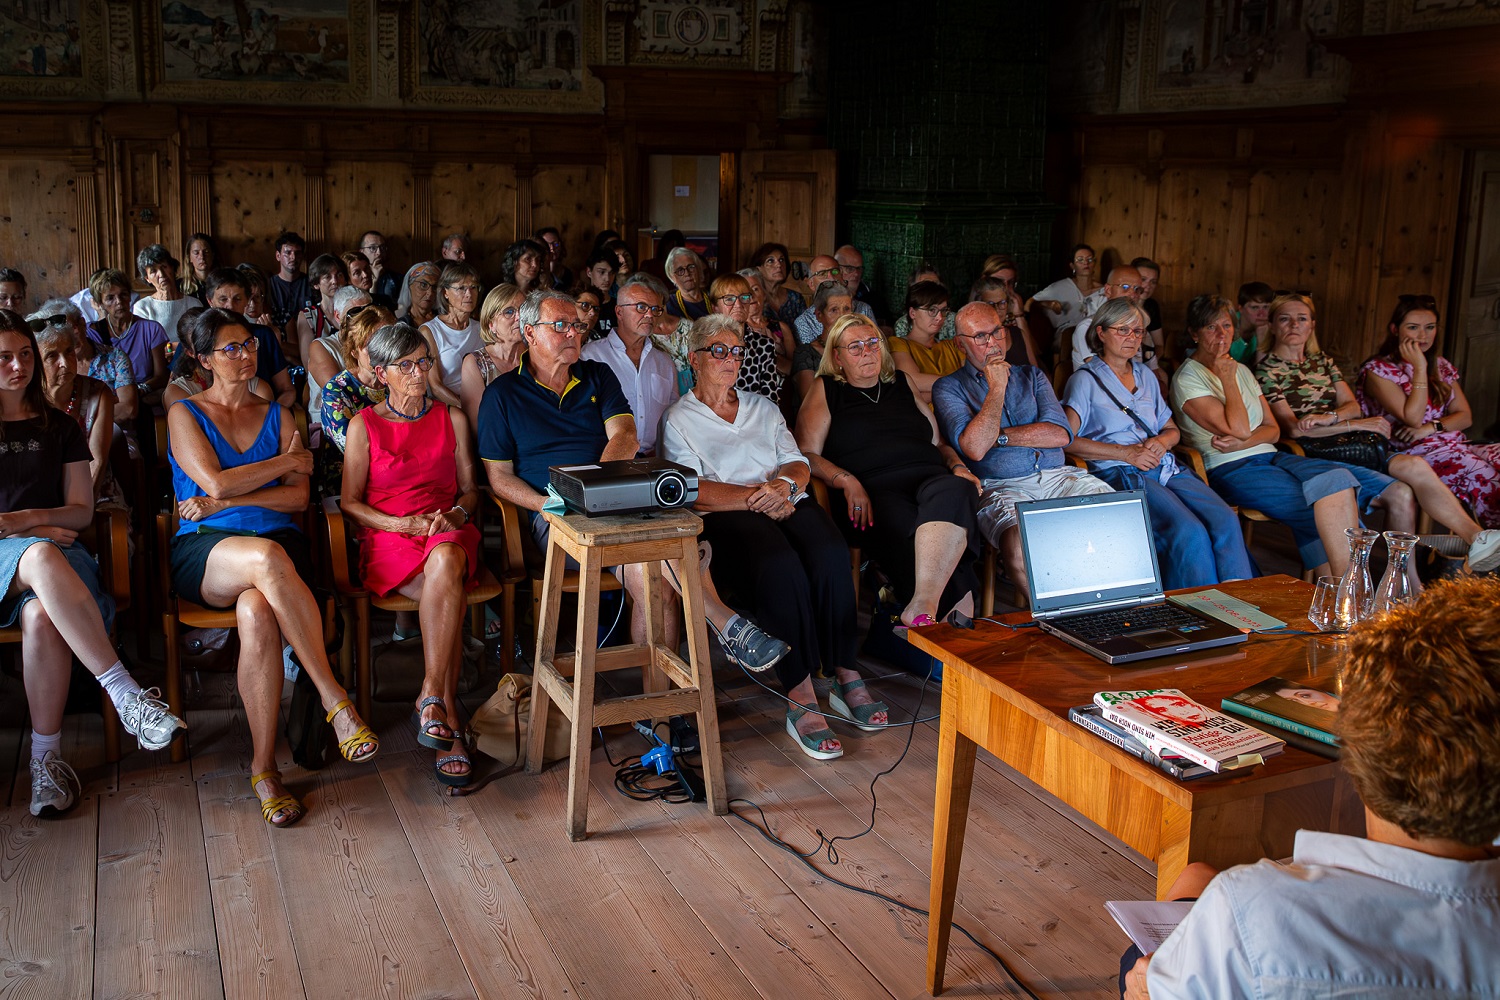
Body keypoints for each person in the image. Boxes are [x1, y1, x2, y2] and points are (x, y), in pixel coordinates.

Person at [1124, 575, 1500, 1000]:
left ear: (1356, 748)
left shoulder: (1257, 906)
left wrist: (1147, 991)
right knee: (1198, 875)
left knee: (1141, 957)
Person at [479, 291, 788, 673]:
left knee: (656, 582)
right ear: (530, 333)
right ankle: (729, 626)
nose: (573, 333)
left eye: (577, 325)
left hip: (612, 497)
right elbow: (499, 478)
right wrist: (551, 504)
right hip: (555, 513)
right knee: (669, 562)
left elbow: (624, 435)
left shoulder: (596, 375)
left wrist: (596, 489)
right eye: (560, 325)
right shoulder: (501, 395)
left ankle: (660, 715)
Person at [168, 308, 377, 827]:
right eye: (230, 348)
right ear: (202, 359)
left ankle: (264, 771)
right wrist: (281, 465)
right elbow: (213, 483)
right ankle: (336, 700)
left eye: (250, 344)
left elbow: (299, 498)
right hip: (208, 546)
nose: (246, 355)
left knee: (258, 609)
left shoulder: (280, 415)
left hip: (277, 540)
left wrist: (231, 492)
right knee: (264, 558)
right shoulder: (183, 413)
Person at [661, 315, 888, 760]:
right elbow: (692, 488)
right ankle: (800, 691)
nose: (731, 360)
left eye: (737, 351)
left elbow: (796, 460)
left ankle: (844, 671)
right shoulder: (679, 419)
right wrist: (757, 497)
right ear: (694, 359)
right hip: (728, 513)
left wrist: (783, 488)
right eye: (719, 352)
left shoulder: (762, 406)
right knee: (780, 565)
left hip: (783, 500)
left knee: (829, 550)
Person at [1, 311, 185, 817]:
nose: (18, 366)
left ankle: (45, 764)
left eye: (22, 355)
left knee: (41, 615)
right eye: (4, 357)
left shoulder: (59, 425)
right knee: (40, 553)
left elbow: (81, 511)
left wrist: (23, 520)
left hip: (61, 557)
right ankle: (125, 694)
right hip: (19, 556)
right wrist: (35, 529)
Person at [1258, 293, 1500, 570]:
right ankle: (1404, 577)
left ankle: (1476, 538)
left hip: (1356, 443)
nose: (1294, 326)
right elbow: (1294, 429)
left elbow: (1351, 406)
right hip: (1315, 451)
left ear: (1312, 325)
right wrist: (1353, 423)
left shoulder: (1322, 362)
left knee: (1415, 467)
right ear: (1273, 325)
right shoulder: (1267, 370)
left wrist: (1331, 418)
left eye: (1301, 319)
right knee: (1410, 484)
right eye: (1285, 319)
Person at [339, 322, 482, 787]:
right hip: (391, 537)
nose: (420, 374)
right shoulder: (364, 426)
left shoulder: (451, 418)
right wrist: (400, 524)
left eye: (424, 362)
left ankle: (430, 697)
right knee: (449, 599)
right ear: (381, 373)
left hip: (446, 531)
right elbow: (349, 503)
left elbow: (470, 491)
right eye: (406, 366)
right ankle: (449, 714)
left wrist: (457, 516)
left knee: (446, 559)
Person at [796, 314, 982, 627]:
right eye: (854, 347)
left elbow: (938, 444)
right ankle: (956, 634)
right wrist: (846, 479)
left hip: (928, 480)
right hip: (870, 493)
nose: (867, 351)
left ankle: (924, 605)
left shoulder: (902, 382)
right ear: (838, 356)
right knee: (920, 531)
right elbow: (805, 454)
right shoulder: (826, 389)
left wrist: (958, 466)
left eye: (872, 343)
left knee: (958, 491)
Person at [1170, 294, 1368, 577]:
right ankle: (1346, 588)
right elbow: (1237, 428)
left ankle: (1339, 590)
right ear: (1194, 333)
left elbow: (1273, 430)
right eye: (1211, 327)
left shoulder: (1242, 370)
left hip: (1270, 455)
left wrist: (1246, 438)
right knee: (1327, 511)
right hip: (1229, 467)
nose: (1221, 335)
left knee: (1337, 481)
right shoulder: (1188, 377)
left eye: (1226, 326)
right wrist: (1227, 379)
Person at [1062, 298, 1254, 589]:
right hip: (1122, 471)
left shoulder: (1146, 376)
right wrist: (1126, 453)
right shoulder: (1084, 381)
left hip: (1163, 464)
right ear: (1101, 333)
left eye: (1138, 332)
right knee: (1188, 530)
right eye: (1122, 330)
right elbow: (1066, 441)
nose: (1132, 338)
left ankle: (1240, 603)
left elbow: (1171, 429)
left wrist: (1163, 442)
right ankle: (1199, 609)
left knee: (1225, 518)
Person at [933, 303, 1113, 599]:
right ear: (960, 344)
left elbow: (1060, 434)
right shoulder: (949, 388)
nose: (992, 343)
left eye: (996, 332)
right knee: (1019, 541)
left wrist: (999, 437)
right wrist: (997, 389)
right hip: (1000, 485)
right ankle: (1055, 618)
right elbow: (975, 449)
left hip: (1059, 476)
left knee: (1115, 513)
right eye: (980, 337)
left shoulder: (1033, 376)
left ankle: (1108, 609)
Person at [1359, 294, 1500, 531]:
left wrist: (1430, 427)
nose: (1423, 336)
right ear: (1395, 330)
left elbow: (1464, 416)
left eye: (1429, 328)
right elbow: (1411, 417)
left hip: (1454, 444)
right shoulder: (1377, 370)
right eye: (1413, 328)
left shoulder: (1441, 365)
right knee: (1483, 474)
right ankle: (1488, 546)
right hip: (1410, 453)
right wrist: (1420, 368)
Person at [33, 313, 127, 510]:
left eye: (68, 352)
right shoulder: (26, 400)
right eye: (52, 356)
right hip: (40, 502)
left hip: (96, 497)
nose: (65, 363)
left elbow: (97, 463)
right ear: (34, 362)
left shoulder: (98, 393)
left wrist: (77, 513)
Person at [583, 274, 678, 455]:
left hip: (652, 460)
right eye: (641, 307)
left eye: (655, 309)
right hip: (605, 458)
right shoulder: (591, 356)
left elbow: (673, 416)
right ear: (619, 312)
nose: (649, 314)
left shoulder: (664, 362)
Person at [28, 298, 137, 424]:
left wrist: (94, 418)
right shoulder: (33, 383)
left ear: (83, 324)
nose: (70, 335)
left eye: (70, 327)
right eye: (52, 355)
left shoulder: (115, 358)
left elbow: (128, 410)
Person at [201, 269, 296, 407]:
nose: (230, 306)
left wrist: (271, 416)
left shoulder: (264, 335)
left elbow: (287, 390)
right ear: (210, 301)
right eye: (223, 299)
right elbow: (178, 387)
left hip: (262, 410)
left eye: (237, 299)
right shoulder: (199, 336)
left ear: (246, 301)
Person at [87, 268, 168, 401]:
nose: (119, 301)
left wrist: (140, 390)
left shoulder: (151, 329)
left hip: (142, 397)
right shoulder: (92, 333)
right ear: (100, 303)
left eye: (123, 294)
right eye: (110, 298)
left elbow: (161, 376)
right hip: (106, 399)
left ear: (130, 296)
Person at [710, 272, 785, 404]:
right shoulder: (706, 346)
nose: (738, 304)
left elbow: (770, 399)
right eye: (729, 299)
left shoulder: (764, 345)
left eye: (744, 297)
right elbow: (702, 397)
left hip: (755, 419)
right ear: (715, 307)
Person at [418, 262, 484, 407]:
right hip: (446, 407)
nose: (469, 294)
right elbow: (435, 387)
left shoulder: (481, 329)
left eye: (473, 287)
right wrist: (469, 409)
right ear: (445, 293)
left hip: (480, 402)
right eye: (461, 288)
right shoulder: (430, 331)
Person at [891, 280, 965, 407]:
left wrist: (930, 394)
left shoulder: (952, 346)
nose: (939, 317)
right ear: (912, 313)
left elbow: (972, 381)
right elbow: (912, 380)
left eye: (943, 311)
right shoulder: (897, 343)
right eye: (932, 310)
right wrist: (957, 386)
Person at [460, 284, 525, 429]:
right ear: (491, 324)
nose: (519, 317)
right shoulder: (476, 363)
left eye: (524, 310)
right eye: (509, 312)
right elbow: (477, 425)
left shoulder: (536, 356)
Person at [1071, 265, 1152, 371]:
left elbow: (1152, 368)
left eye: (1137, 289)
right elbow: (1101, 372)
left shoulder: (1138, 327)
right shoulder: (1088, 326)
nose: (1132, 294)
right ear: (1108, 290)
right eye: (1125, 287)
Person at [791, 281, 855, 401]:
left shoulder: (858, 348)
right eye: (834, 310)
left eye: (847, 309)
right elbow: (810, 401)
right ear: (819, 315)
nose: (842, 316)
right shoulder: (805, 354)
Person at [793, 254, 876, 343]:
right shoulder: (804, 322)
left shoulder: (864, 309)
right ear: (811, 284)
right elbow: (812, 354)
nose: (831, 277)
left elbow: (875, 344)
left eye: (835, 272)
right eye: (822, 274)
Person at [1030, 243, 1103, 341]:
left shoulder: (1103, 291)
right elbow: (1029, 304)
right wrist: (1048, 304)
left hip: (1094, 334)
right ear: (1072, 266)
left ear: (1094, 263)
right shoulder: (1060, 287)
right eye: (1080, 260)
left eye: (1089, 259)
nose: (1086, 263)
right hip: (1066, 336)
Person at [969, 275, 1039, 367]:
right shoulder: (970, 340)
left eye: (1002, 303)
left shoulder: (1018, 334)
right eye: (990, 304)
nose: (997, 309)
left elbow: (1036, 373)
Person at [132, 244, 196, 343]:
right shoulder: (142, 308)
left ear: (173, 268)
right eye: (153, 271)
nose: (161, 274)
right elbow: (144, 345)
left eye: (164, 267)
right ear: (147, 278)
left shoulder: (194, 304)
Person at [293, 253, 349, 368]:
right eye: (327, 277)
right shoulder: (308, 316)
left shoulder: (354, 311)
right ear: (316, 284)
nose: (335, 281)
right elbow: (308, 362)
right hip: (322, 377)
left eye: (339, 275)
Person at [266, 230, 309, 349]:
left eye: (297, 253)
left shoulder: (311, 284)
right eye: (288, 253)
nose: (293, 257)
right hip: (279, 343)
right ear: (278, 256)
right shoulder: (268, 286)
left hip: (308, 337)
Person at [751, 241, 806, 327]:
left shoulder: (796, 298)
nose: (779, 265)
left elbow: (806, 332)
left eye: (781, 260)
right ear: (758, 269)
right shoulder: (753, 299)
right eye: (770, 261)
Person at [835, 244, 883, 324]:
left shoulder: (871, 300)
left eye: (859, 269)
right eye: (849, 269)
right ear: (837, 270)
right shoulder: (825, 299)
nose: (856, 274)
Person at [1130, 256, 1165, 359]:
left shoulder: (1152, 306)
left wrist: (1150, 363)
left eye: (1153, 282)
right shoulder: (1121, 305)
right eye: (1143, 279)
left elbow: (1159, 345)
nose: (1148, 285)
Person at [1233, 280, 1274, 362]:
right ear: (1241, 308)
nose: (1261, 314)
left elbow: (1265, 369)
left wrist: (1262, 338)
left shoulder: (1272, 328)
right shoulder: (1226, 325)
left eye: (1266, 307)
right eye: (1255, 307)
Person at [664, 247, 710, 321]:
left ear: (699, 270)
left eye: (691, 267)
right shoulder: (667, 304)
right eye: (680, 270)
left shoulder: (713, 298)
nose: (687, 273)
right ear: (672, 277)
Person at [396, 261, 441, 329]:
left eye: (435, 287)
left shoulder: (442, 321)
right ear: (409, 285)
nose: (430, 293)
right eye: (423, 285)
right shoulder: (400, 322)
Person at [360, 230, 401, 303]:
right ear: (361, 252)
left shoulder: (397, 279)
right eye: (372, 248)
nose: (379, 253)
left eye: (382, 248)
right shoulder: (357, 279)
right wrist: (374, 280)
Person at [180, 233, 218, 301]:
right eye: (196, 252)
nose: (202, 257)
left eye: (206, 252)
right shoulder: (180, 286)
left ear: (213, 255)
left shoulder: (222, 282)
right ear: (189, 257)